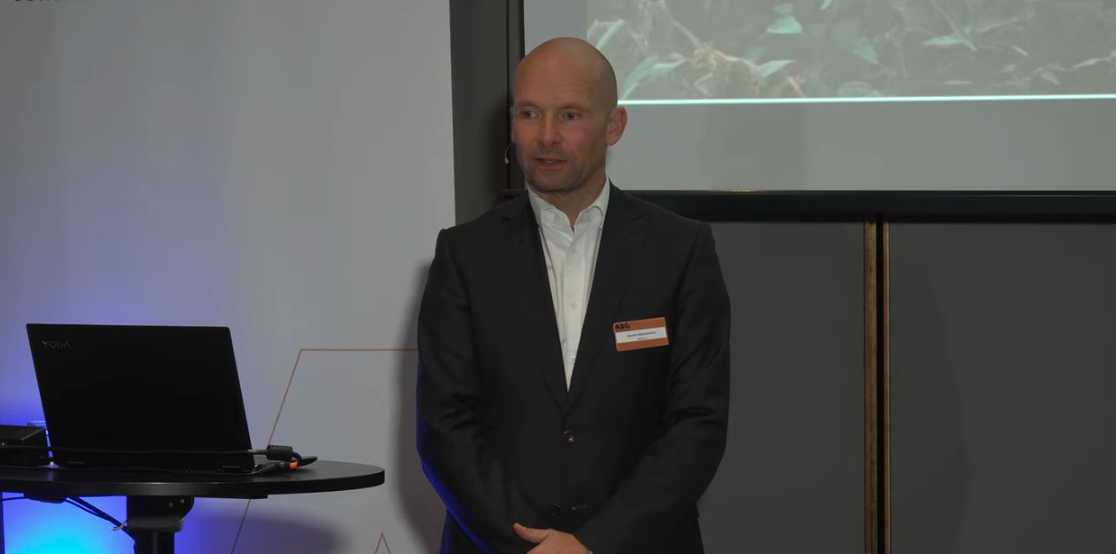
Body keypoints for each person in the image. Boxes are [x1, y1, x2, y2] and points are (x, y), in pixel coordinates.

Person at [416, 37, 731, 554]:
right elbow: (444, 426)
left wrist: (592, 545)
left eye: (570, 115)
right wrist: (533, 546)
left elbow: (697, 424)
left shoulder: (680, 249)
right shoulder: (464, 254)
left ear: (614, 125)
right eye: (529, 113)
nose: (546, 135)